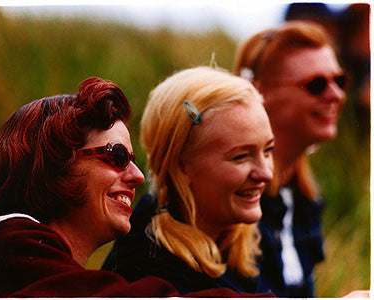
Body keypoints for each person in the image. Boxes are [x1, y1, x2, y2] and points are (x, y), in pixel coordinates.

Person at [0, 76, 271, 298]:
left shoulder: (17, 255)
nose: (138, 176)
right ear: (57, 161)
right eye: (117, 155)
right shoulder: (10, 241)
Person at [102, 66, 276, 294]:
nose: (266, 174)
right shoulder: (149, 272)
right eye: (241, 156)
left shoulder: (249, 236)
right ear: (181, 165)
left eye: (268, 150)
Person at [233, 21, 347, 297]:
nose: (337, 95)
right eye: (316, 84)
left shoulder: (300, 196)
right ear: (258, 92)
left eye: (339, 80)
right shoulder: (230, 202)